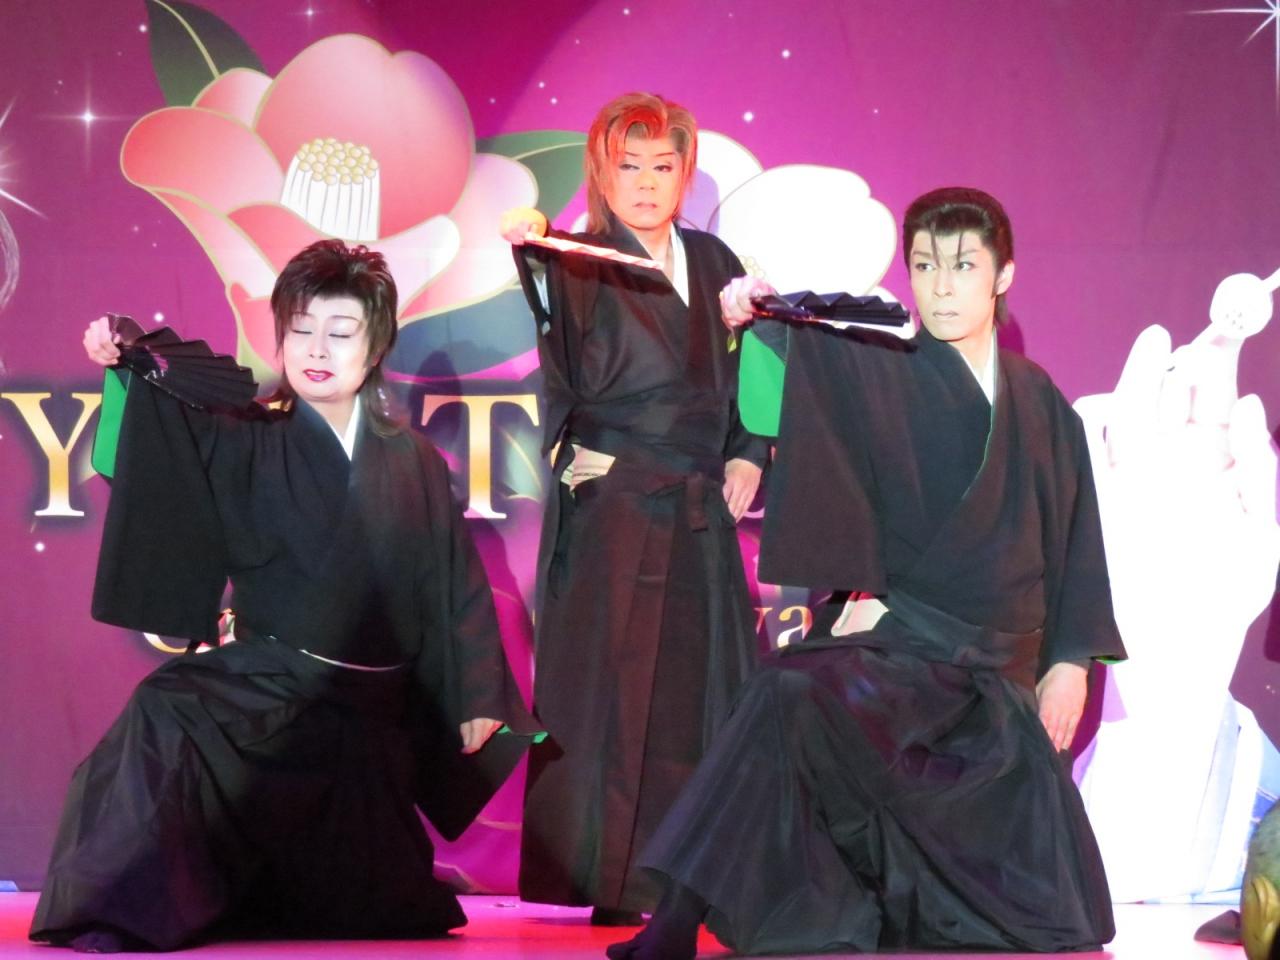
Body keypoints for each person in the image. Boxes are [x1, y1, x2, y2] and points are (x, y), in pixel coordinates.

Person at [609, 187, 1127, 959]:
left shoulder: (1041, 401)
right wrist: (759, 323)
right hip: (904, 648)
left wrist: (1071, 663)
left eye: (963, 266)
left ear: (1004, 275)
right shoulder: (880, 365)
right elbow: (781, 399)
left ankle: (697, 915)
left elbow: (1076, 539)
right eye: (925, 266)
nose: (942, 287)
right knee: (784, 689)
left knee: (1044, 919)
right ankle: (676, 920)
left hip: (992, 677)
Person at [30, 239, 534, 952]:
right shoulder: (245, 434)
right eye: (301, 330)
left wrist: (479, 694)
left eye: (341, 332)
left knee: (373, 910)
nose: (317, 349)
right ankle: (121, 904)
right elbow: (152, 458)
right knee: (166, 708)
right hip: (272, 683)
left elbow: (455, 583)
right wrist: (126, 363)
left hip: (369, 715)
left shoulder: (414, 458)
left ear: (375, 347)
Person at [499, 92, 769, 923]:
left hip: (698, 504)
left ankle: (696, 884)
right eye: (629, 166)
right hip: (615, 502)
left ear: (686, 174)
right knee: (614, 694)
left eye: (663, 166)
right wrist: (531, 247)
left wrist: (750, 451)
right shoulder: (575, 258)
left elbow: (756, 366)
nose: (646, 183)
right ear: (602, 172)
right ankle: (610, 881)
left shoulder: (716, 261)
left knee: (700, 692)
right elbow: (554, 350)